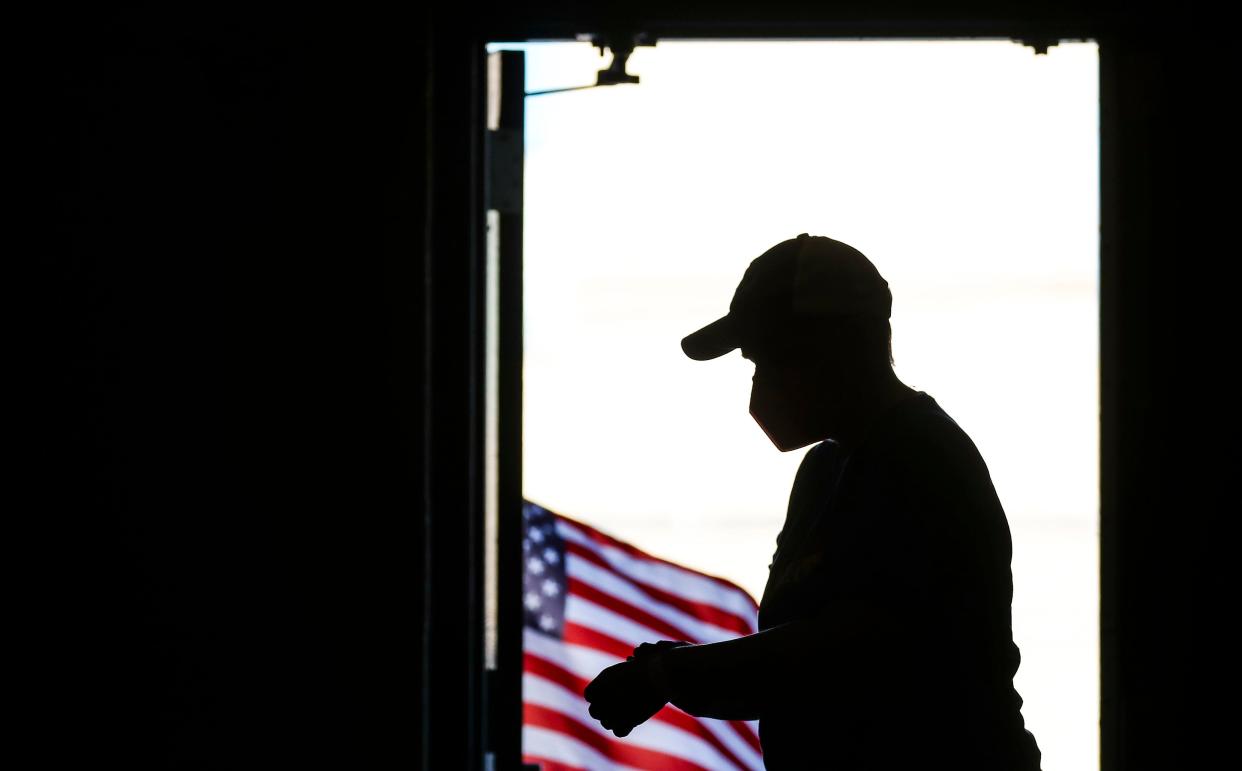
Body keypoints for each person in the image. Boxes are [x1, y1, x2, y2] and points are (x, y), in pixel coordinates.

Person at [583, 233, 1042, 769]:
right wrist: (673, 672)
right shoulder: (827, 469)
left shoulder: (920, 460)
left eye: (763, 361)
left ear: (824, 349)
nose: (758, 387)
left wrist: (668, 675)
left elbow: (836, 657)